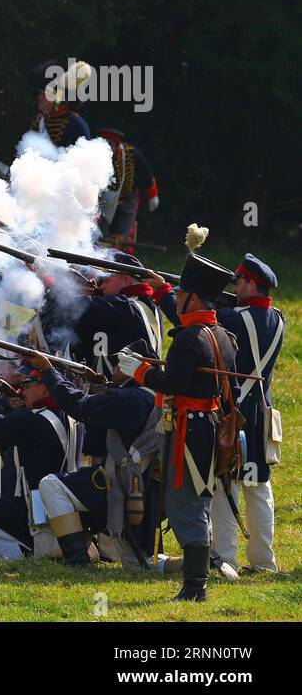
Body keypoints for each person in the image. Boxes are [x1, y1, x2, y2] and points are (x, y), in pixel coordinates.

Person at [117, 234, 238, 602]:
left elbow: (174, 383)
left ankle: (195, 587)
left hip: (189, 431)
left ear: (193, 298)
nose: (177, 300)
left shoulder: (189, 339)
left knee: (187, 505)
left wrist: (140, 373)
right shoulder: (222, 334)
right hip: (204, 428)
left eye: (181, 295)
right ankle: (194, 582)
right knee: (191, 503)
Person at [31, 354, 160, 568]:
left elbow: (79, 406)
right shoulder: (152, 396)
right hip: (149, 489)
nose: (115, 367)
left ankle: (77, 560)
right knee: (142, 561)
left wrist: (49, 372)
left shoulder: (127, 398)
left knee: (51, 485)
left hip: (122, 486)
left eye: (120, 362)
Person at [0, 366, 74, 560]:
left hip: (33, 505)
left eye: (27, 385)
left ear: (44, 389)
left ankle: (19, 551)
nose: (21, 390)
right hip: (59, 502)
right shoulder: (65, 414)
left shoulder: (32, 419)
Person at [210, 253, 284, 574]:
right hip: (261, 411)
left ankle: (225, 560)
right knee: (258, 486)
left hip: (236, 414)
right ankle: (263, 562)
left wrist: (163, 294)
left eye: (239, 281)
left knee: (227, 485)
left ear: (252, 284)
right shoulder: (278, 317)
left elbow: (194, 318)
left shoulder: (236, 318)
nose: (236, 286)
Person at [70, 252, 164, 378]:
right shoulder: (148, 304)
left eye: (105, 279)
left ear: (125, 278)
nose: (101, 285)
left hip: (129, 388)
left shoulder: (127, 306)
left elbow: (75, 305)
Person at [96, 127, 159, 252]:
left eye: (110, 144)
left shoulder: (132, 154)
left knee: (125, 231)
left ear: (116, 144)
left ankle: (124, 257)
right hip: (103, 197)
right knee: (100, 230)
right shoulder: (95, 156)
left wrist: (153, 194)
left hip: (129, 194)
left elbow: (147, 174)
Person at [29, 59, 92, 147]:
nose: (39, 97)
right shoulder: (37, 120)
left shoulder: (76, 125)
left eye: (45, 94)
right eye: (39, 93)